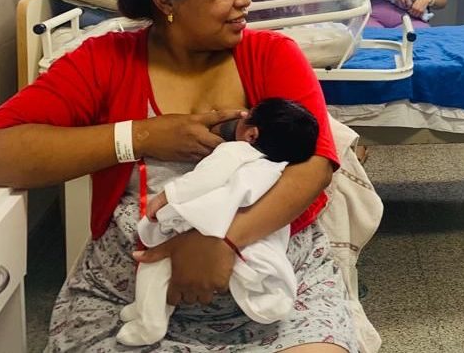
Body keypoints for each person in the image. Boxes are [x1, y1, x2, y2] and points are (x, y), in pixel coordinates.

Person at [0, 0, 356, 352]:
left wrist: (224, 240)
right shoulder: (104, 61)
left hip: (277, 291)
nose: (245, 0)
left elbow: (316, 164)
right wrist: (140, 136)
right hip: (131, 297)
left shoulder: (272, 55)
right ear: (166, 0)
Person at [118, 98, 320, 347]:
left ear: (252, 134)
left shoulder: (235, 151)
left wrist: (166, 196)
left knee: (156, 264)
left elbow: (204, 179)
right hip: (250, 239)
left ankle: (149, 322)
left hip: (209, 223)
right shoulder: (280, 169)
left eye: (247, 116)